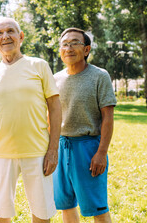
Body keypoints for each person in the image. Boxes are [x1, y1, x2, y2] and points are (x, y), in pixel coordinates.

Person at [0, 18, 62, 223]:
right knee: (1, 212)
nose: (5, 36)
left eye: (10, 31)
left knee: (42, 213)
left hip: (38, 152)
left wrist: (53, 149)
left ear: (21, 36)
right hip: (0, 152)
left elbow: (55, 106)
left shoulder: (39, 66)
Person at [53, 27, 116, 223]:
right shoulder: (55, 79)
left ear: (86, 50)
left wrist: (101, 153)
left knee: (97, 208)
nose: (68, 48)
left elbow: (108, 117)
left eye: (74, 43)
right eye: (64, 44)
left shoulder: (99, 76)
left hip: (89, 148)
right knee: (66, 206)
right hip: (60, 147)